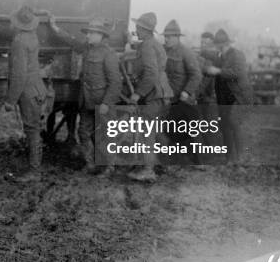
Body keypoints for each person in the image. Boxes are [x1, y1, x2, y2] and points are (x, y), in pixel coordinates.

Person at [0, 6, 47, 182]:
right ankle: (35, 167)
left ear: (18, 24)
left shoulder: (19, 41)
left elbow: (19, 75)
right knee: (33, 129)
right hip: (35, 88)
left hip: (27, 90)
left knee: (33, 130)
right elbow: (5, 32)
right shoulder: (29, 35)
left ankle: (35, 171)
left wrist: (10, 101)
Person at [48, 16, 121, 176]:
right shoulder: (87, 48)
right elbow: (72, 41)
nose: (88, 36)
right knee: (83, 133)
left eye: (91, 33)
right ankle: (91, 164)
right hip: (86, 100)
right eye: (88, 33)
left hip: (102, 102)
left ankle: (108, 168)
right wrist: (55, 28)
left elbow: (115, 82)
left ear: (101, 35)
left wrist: (106, 103)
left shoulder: (108, 54)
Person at [128, 12, 173, 182]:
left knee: (148, 133)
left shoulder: (147, 46)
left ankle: (148, 170)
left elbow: (151, 73)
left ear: (144, 29)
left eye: (138, 27)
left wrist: (137, 93)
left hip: (153, 94)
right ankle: (165, 162)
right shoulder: (153, 44)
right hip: (163, 93)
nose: (136, 29)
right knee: (156, 132)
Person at [206, 29, 253, 164]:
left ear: (225, 44)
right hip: (224, 97)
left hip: (239, 96)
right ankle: (229, 158)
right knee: (225, 124)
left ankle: (241, 157)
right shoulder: (220, 57)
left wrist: (218, 71)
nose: (220, 47)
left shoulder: (237, 55)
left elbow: (237, 72)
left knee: (233, 121)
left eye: (221, 45)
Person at [162, 20, 202, 165]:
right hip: (171, 99)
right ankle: (175, 160)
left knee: (192, 130)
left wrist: (186, 91)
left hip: (185, 98)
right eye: (165, 36)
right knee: (171, 130)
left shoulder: (186, 52)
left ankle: (199, 161)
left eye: (170, 37)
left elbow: (196, 75)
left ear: (177, 37)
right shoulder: (163, 51)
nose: (166, 39)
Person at [197, 31, 218, 120]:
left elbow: (208, 77)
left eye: (205, 43)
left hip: (210, 94)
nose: (203, 45)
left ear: (212, 44)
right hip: (203, 93)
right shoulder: (203, 56)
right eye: (202, 42)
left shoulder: (214, 55)